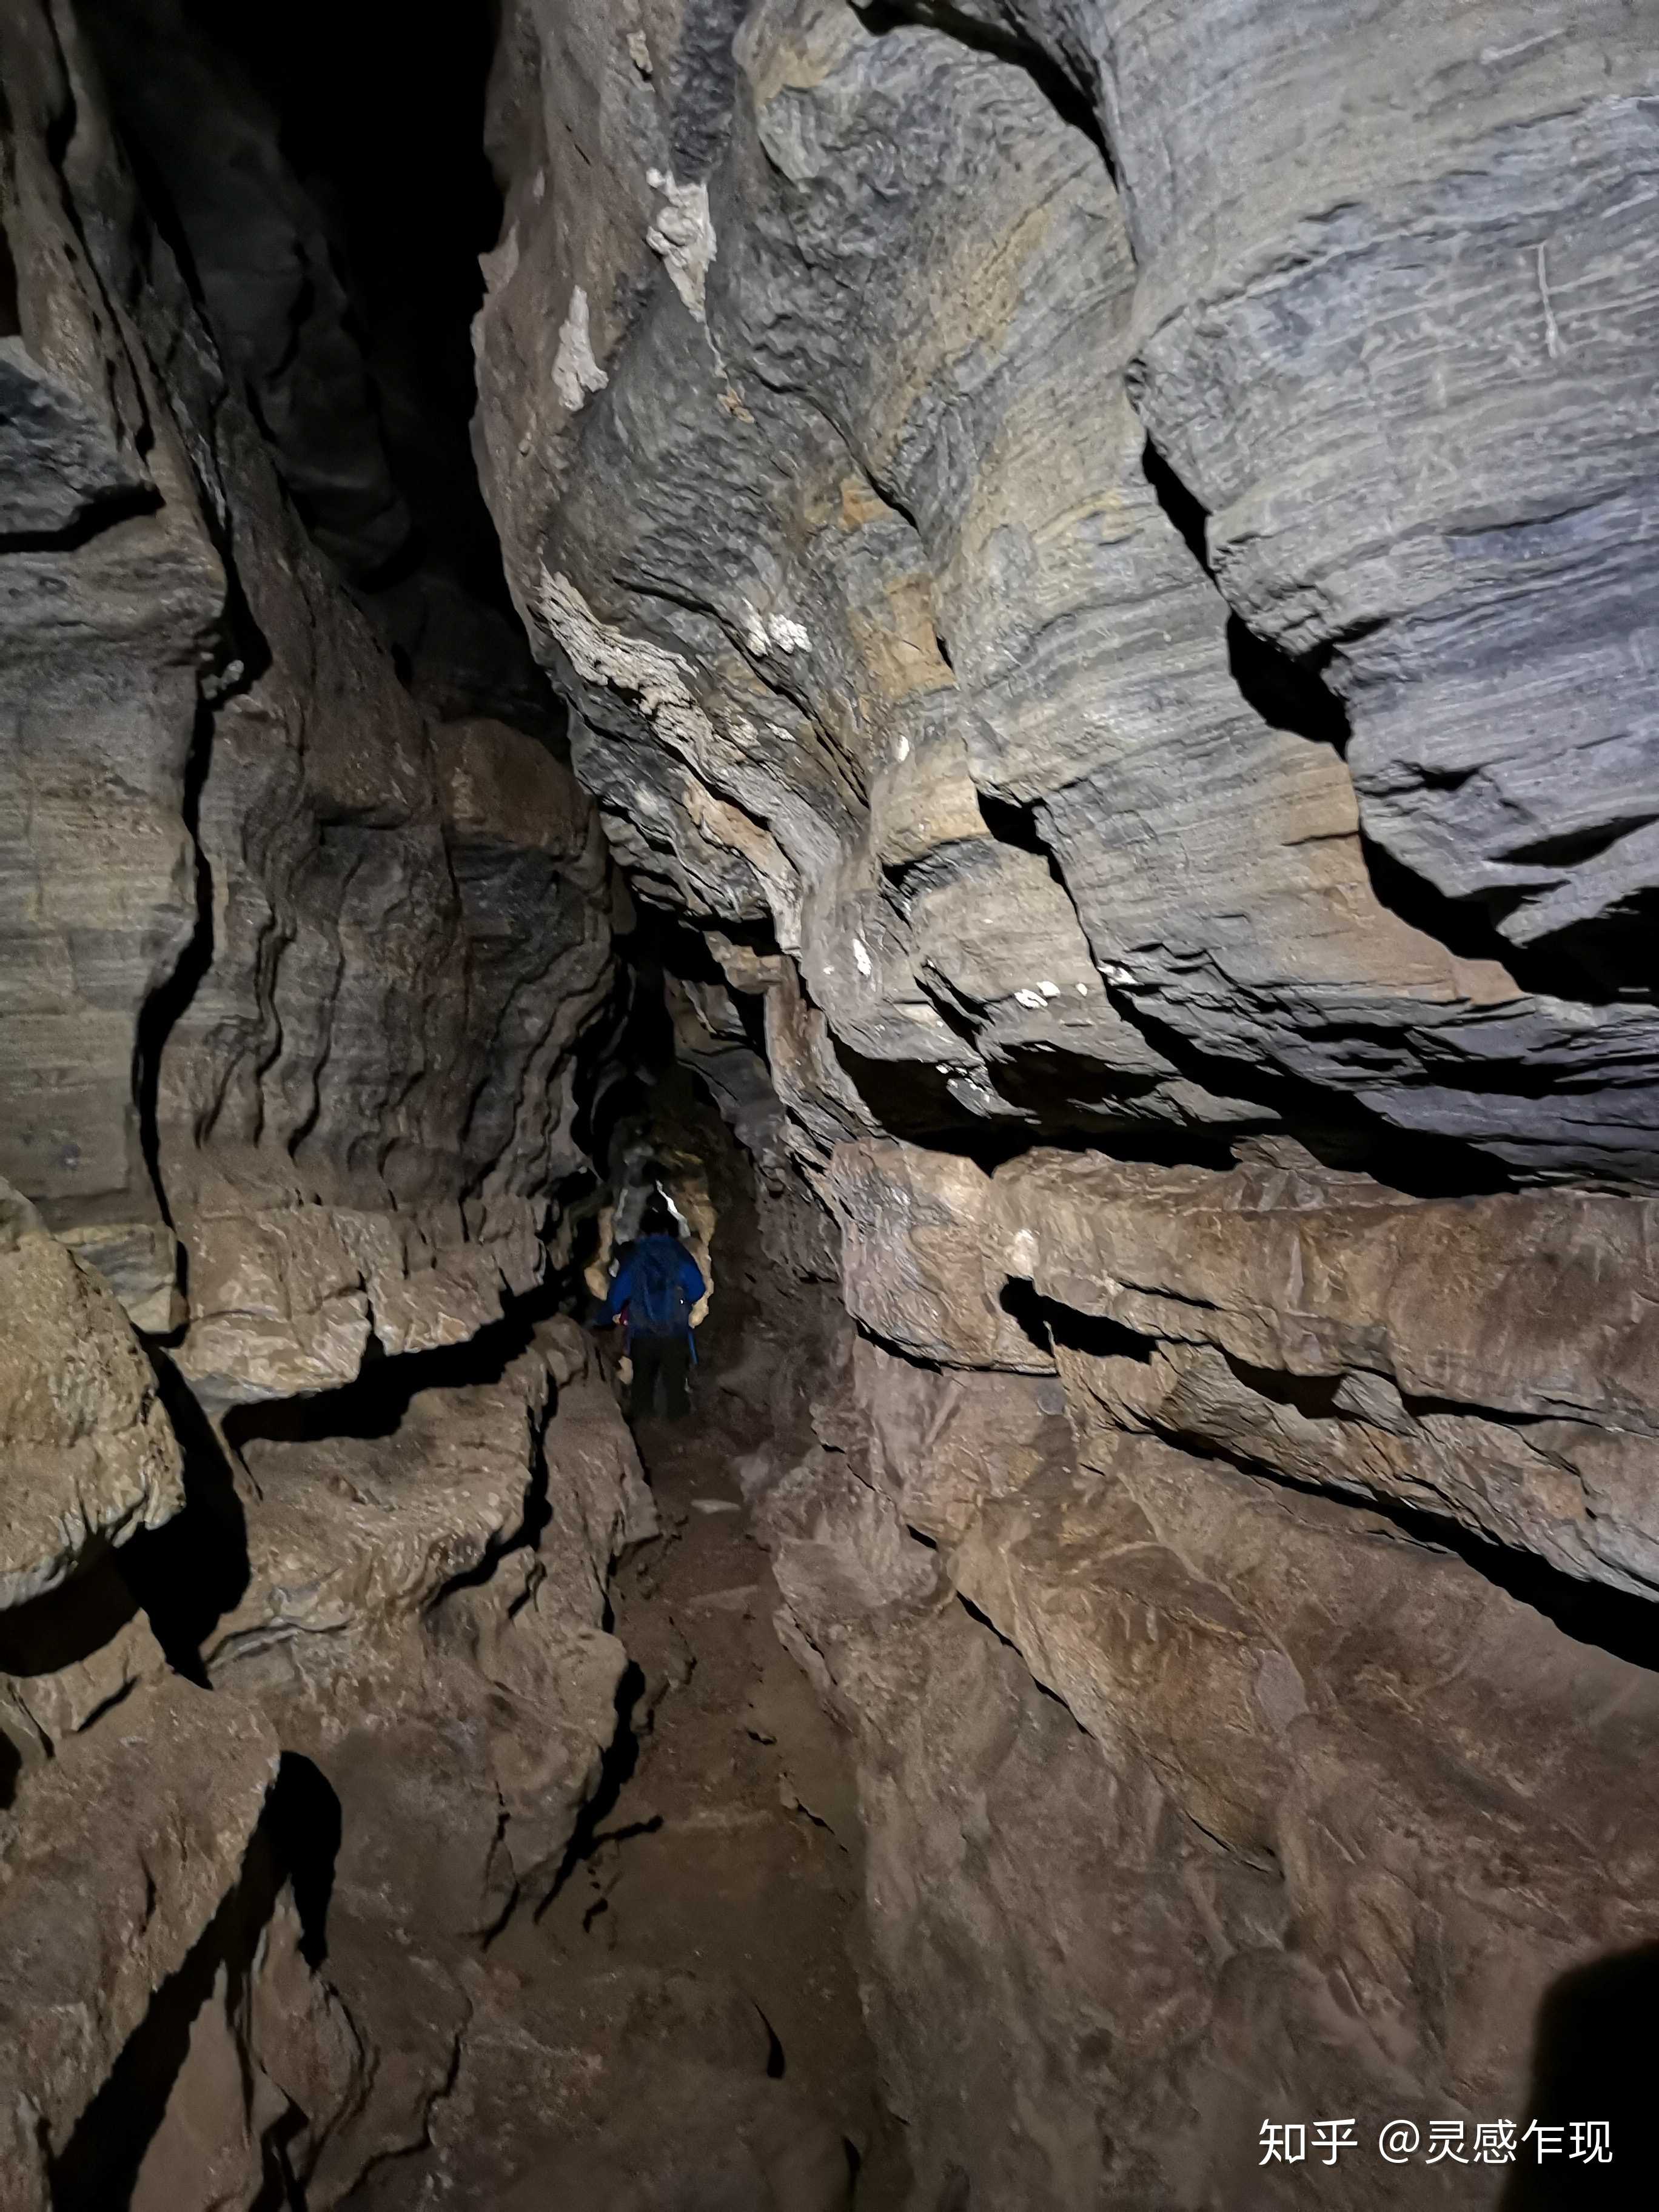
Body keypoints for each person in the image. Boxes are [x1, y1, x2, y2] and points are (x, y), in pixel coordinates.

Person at [597, 1198, 706, 1421]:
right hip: (675, 1333)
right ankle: (680, 1435)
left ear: (643, 1231)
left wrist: (608, 1316)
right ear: (668, 1230)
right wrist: (683, 1302)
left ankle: (646, 1437)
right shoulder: (678, 1253)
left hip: (643, 1335)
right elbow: (697, 1288)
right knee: (675, 1388)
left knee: (642, 1390)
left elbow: (617, 1295)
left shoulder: (636, 1256)